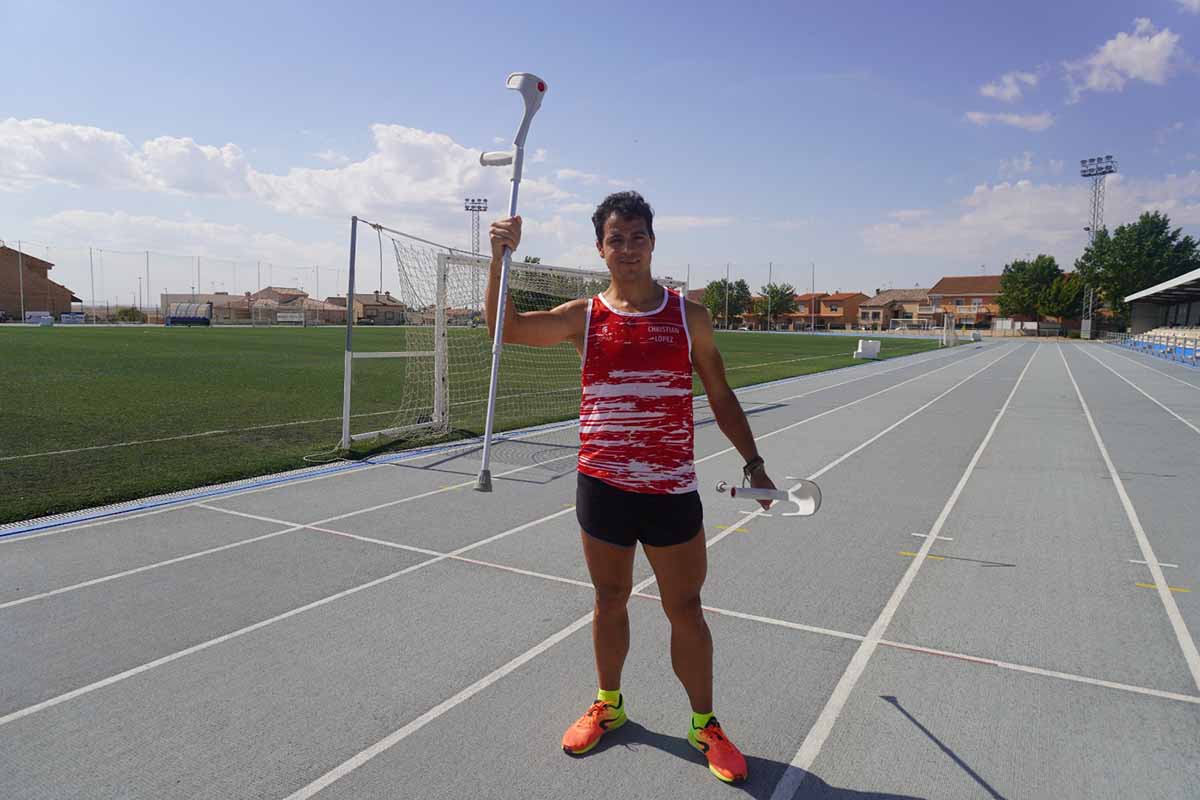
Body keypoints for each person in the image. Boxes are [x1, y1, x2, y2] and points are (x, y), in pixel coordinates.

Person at [485, 191, 775, 785]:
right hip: (603, 487)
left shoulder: (688, 317)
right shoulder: (582, 316)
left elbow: (719, 394)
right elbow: (503, 328)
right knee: (609, 599)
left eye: (636, 236)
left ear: (652, 242)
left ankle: (705, 725)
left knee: (686, 608)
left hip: (670, 489)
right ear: (600, 248)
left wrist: (753, 463)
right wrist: (499, 257)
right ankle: (609, 706)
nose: (626, 248)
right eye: (615, 238)